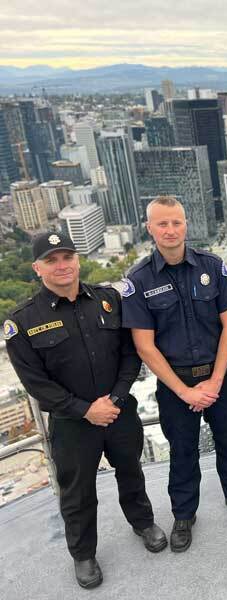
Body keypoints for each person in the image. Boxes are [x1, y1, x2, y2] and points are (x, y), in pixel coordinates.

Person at [5, 233, 166, 589]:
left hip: (119, 411)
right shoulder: (23, 321)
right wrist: (85, 410)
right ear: (37, 268)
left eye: (67, 257)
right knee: (77, 492)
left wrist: (117, 400)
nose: (62, 266)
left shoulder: (109, 300)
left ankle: (143, 523)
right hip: (72, 424)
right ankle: (83, 554)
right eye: (52, 260)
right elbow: (37, 383)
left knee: (131, 471)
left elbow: (129, 354)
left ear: (77, 260)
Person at [122, 196, 227, 553]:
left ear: (186, 224)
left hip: (218, 375)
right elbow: (145, 346)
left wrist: (216, 380)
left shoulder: (213, 266)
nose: (170, 230)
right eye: (162, 224)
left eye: (177, 222)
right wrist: (185, 392)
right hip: (174, 384)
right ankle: (184, 514)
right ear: (149, 228)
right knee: (182, 451)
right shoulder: (138, 280)